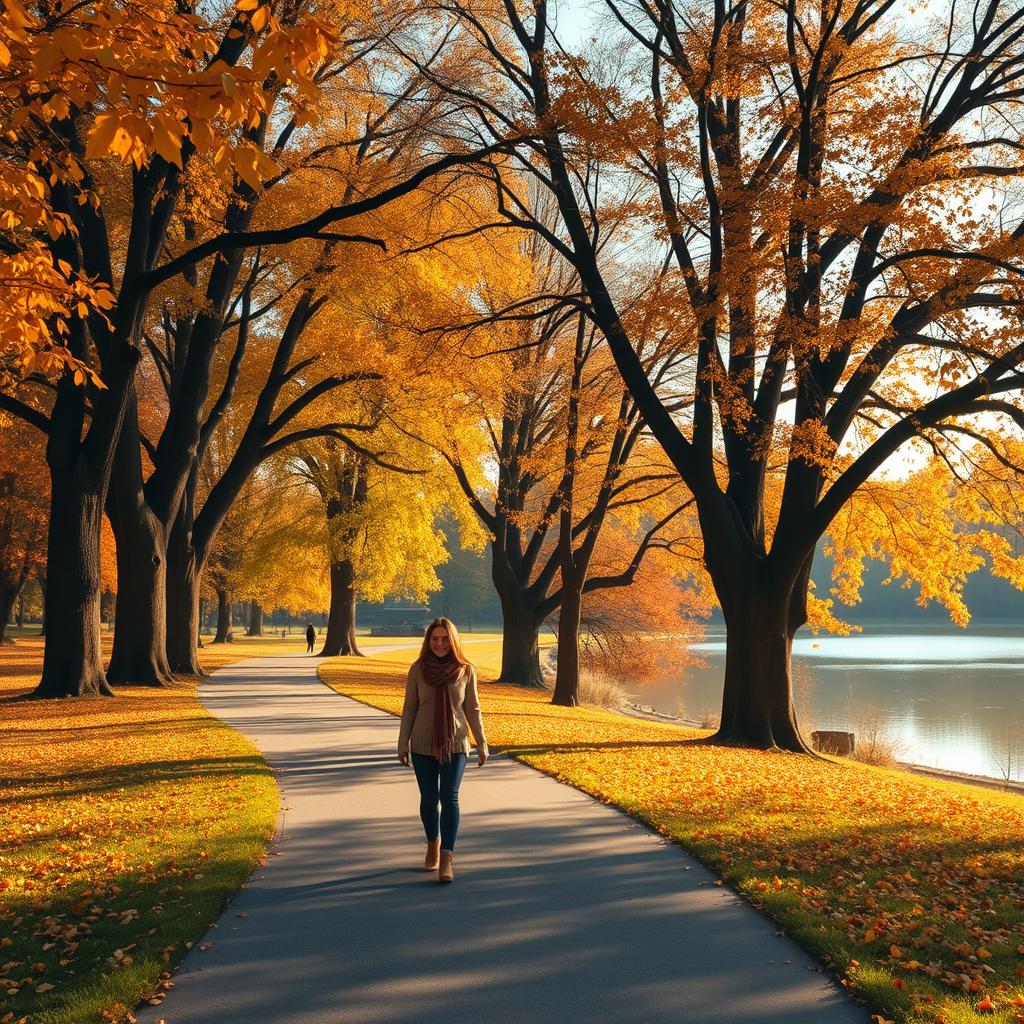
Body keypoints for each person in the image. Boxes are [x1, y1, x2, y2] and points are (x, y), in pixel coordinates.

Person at [398, 617, 487, 883]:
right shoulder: (418, 669)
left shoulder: (466, 670)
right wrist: (402, 743)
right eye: (435, 639)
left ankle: (447, 856)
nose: (439, 644)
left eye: (445, 639)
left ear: (453, 640)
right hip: (423, 743)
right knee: (428, 798)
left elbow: (472, 708)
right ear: (428, 641)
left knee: (449, 796)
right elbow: (410, 708)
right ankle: (432, 844)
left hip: (456, 743)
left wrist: (481, 742)